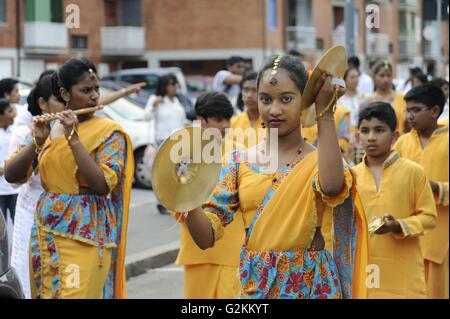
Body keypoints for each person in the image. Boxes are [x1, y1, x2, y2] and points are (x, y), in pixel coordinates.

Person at [182, 55, 368, 299]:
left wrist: (324, 113)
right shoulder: (239, 162)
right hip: (256, 287)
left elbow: (333, 187)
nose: (275, 110)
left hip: (310, 286)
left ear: (304, 100)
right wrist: (185, 194)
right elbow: (206, 238)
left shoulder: (318, 160)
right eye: (266, 99)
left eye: (287, 99)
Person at [4, 58, 134, 299]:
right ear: (64, 93)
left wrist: (73, 139)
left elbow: (101, 185)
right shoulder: (50, 128)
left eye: (96, 89)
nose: (95, 96)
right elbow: (12, 176)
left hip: (86, 234)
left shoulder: (110, 132)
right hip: (47, 233)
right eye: (86, 90)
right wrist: (37, 142)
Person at [355, 102, 436, 298]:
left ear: (395, 136)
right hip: (364, 274)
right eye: (365, 131)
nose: (371, 137)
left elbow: (429, 218)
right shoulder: (351, 176)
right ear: (358, 136)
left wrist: (398, 225)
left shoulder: (413, 172)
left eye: (379, 130)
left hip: (404, 279)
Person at [173, 91, 246, 298]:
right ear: (201, 120)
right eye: (218, 119)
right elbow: (171, 197)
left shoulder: (240, 153)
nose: (224, 125)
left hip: (233, 247)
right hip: (197, 249)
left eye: (227, 119)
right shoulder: (183, 153)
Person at [7, 71, 64, 299]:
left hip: (65, 217)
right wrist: (39, 142)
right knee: (32, 281)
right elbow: (15, 179)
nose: (65, 105)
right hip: (32, 216)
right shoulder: (24, 132)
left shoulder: (74, 132)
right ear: (42, 103)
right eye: (59, 100)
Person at [393, 83, 449, 299]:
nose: (409, 116)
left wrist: (438, 188)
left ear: (435, 111)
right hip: (408, 233)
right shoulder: (402, 144)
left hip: (441, 237)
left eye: (416, 110)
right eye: (408, 110)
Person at [144, 73, 188, 215]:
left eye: (175, 83)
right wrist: (152, 106)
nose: (174, 86)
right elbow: (146, 116)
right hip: (162, 142)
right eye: (171, 84)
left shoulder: (177, 101)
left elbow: (182, 120)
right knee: (163, 175)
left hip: (178, 142)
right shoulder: (156, 100)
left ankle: (175, 201)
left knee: (179, 173)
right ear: (164, 86)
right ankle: (162, 202)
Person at [363, 61, 407, 135]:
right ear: (374, 77)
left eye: (389, 75)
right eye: (382, 75)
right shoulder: (368, 101)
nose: (386, 79)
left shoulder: (402, 98)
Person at [229, 71, 264, 149]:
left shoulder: (272, 122)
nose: (249, 95)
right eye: (246, 90)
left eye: (254, 90)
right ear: (241, 94)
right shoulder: (233, 123)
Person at [0, 98, 18, 224]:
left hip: (14, 189)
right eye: (9, 111)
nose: (13, 114)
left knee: (18, 224)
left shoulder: (15, 132)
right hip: (0, 191)